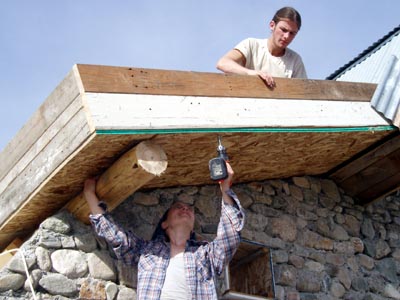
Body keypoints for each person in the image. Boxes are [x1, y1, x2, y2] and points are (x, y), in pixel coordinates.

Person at [84, 162, 245, 300]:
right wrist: (89, 194)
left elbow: (230, 236)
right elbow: (115, 236)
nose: (185, 208)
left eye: (189, 209)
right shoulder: (146, 252)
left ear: (193, 224)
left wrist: (225, 188)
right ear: (164, 224)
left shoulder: (206, 254)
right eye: (177, 207)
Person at [216, 6, 307, 88]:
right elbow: (223, 63)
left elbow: (303, 91)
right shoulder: (252, 44)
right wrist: (250, 73)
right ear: (272, 25)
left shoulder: (295, 60)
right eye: (283, 30)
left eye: (292, 33)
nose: (286, 36)